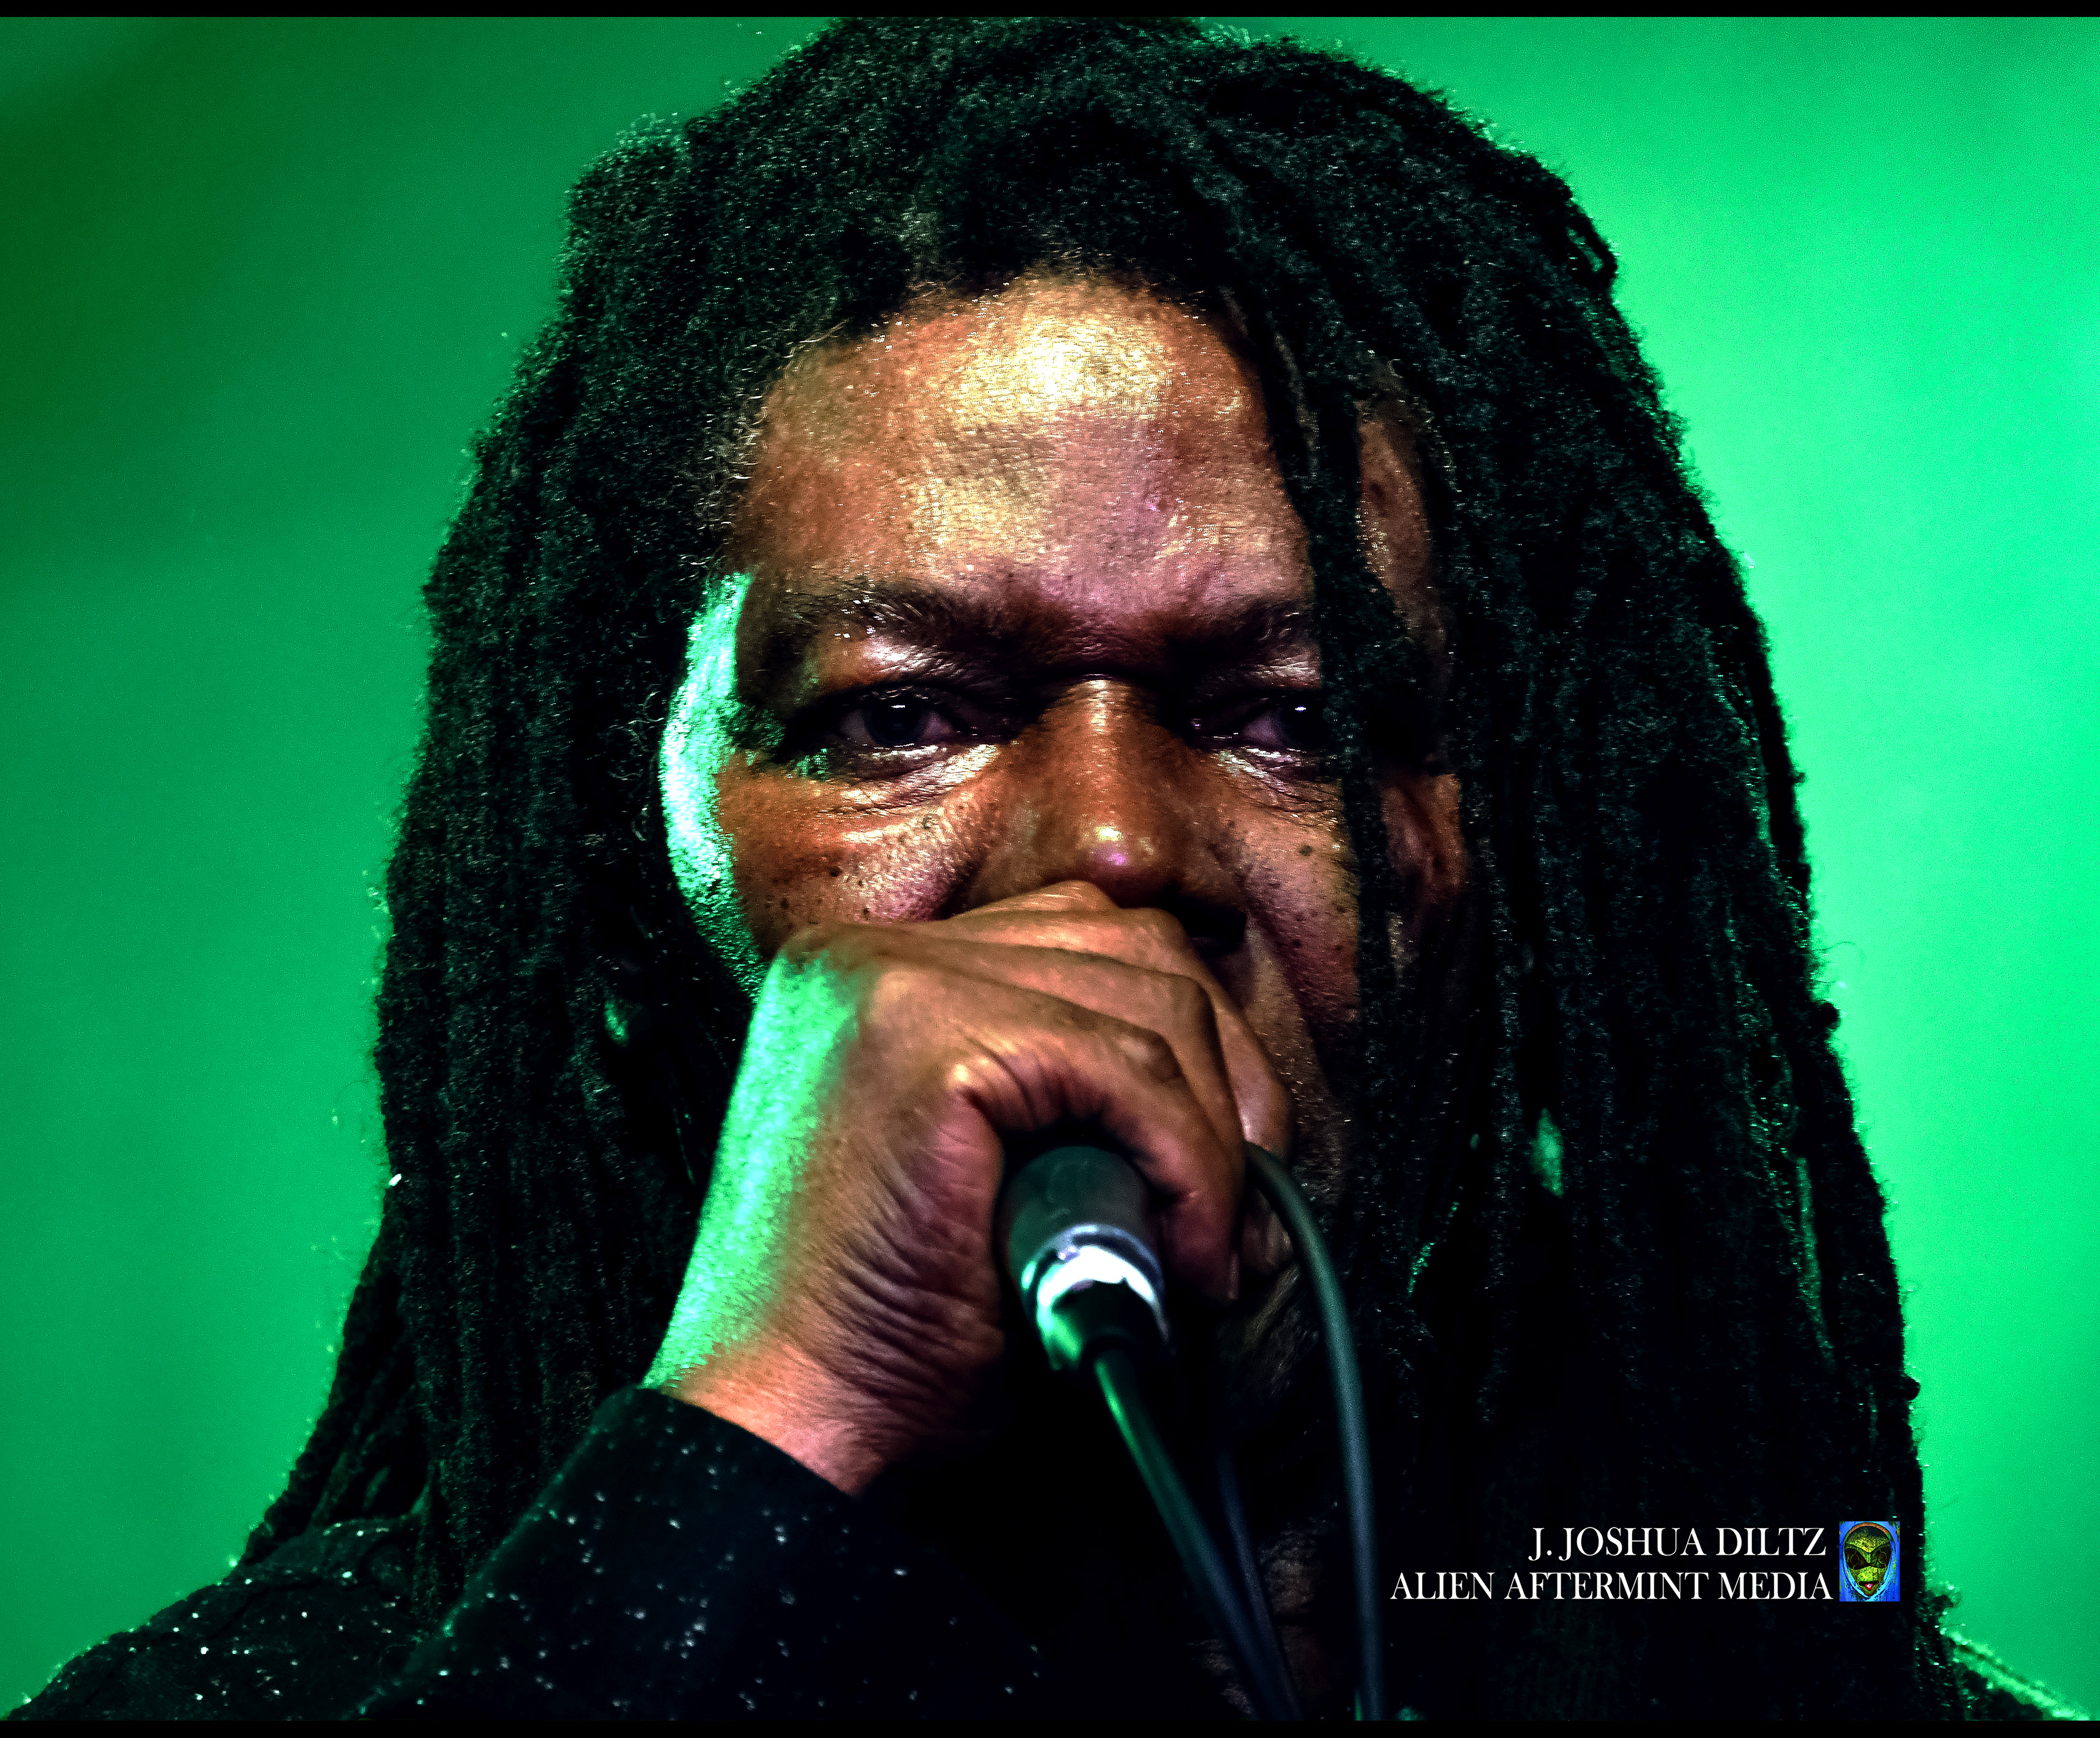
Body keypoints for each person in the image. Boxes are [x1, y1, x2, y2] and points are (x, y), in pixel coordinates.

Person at [13, 16, 2072, 1722]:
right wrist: (772, 1433)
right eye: (898, 712)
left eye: (1300, 717)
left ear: (1509, 883)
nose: (1110, 849)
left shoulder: (1750, 1622)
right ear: (629, 869)